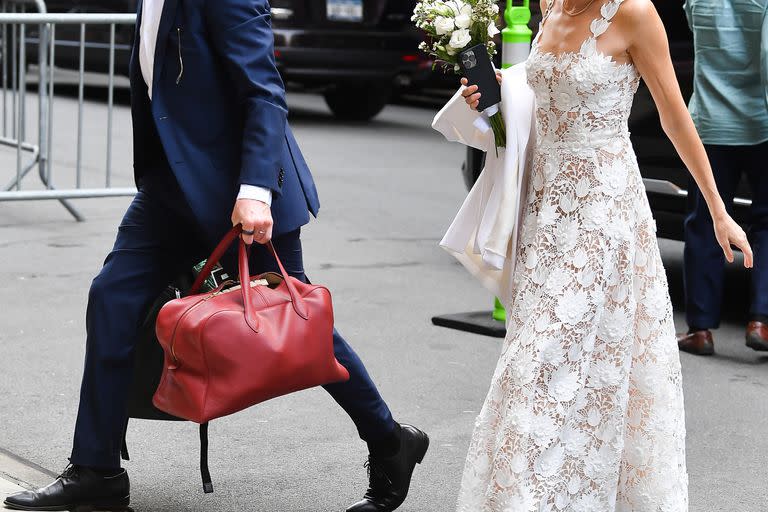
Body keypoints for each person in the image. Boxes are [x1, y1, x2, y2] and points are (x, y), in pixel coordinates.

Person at [2, 1, 428, 511]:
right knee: (112, 297)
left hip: (239, 190)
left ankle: (389, 441)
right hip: (171, 189)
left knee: (303, 328)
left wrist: (255, 190)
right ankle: (97, 472)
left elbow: (264, 92)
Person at [454, 0, 752, 509]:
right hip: (544, 215)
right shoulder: (549, 4)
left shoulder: (636, 13)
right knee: (540, 364)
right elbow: (541, 88)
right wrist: (495, 87)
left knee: (553, 365)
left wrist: (719, 210)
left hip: (604, 222)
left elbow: (675, 117)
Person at [676, 0, 768, 356]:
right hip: (760, 123)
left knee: (704, 223)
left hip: (710, 126)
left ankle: (700, 330)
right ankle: (761, 320)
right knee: (765, 223)